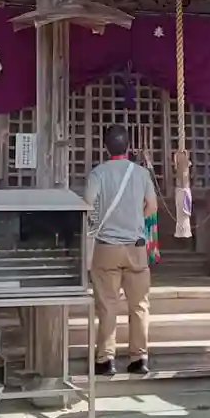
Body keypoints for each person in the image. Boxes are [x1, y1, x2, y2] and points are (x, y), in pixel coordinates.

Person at [84, 123, 158, 376]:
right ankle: (139, 358)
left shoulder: (98, 174)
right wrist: (134, 219)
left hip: (107, 247)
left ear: (106, 147)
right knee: (139, 305)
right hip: (136, 246)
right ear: (128, 147)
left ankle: (106, 359)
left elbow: (88, 204)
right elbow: (152, 206)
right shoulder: (141, 174)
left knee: (107, 304)